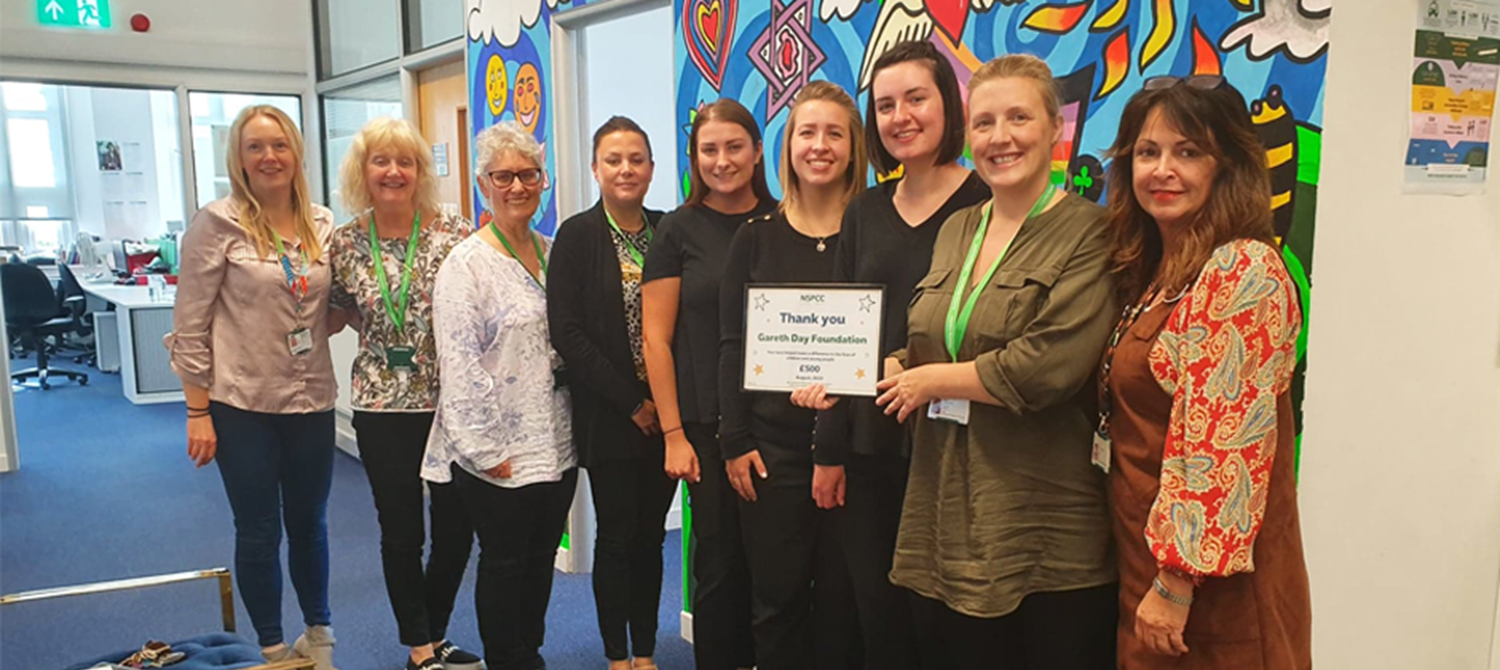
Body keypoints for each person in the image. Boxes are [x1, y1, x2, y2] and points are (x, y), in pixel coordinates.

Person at [873, 54, 1118, 668]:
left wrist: (929, 381)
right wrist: (898, 366)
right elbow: (935, 337)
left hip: (1042, 525)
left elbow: (1047, 367)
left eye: (1018, 118)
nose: (999, 137)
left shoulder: (1092, 232)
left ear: (1054, 128)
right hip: (948, 513)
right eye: (984, 123)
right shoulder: (958, 228)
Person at [787, 41, 988, 670]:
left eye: (916, 98)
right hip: (870, 447)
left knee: (946, 624)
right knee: (880, 618)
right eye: (885, 105)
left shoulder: (987, 202)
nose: (900, 116)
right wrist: (828, 449)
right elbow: (844, 328)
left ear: (948, 106)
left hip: (958, 448)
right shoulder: (866, 211)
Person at [1099, 75, 1310, 669]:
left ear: (1228, 166)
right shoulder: (1154, 270)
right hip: (1147, 571)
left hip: (1212, 593)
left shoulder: (1243, 269)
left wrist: (1177, 580)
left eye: (1188, 151)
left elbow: (1227, 443)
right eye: (1148, 152)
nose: (1163, 169)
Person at [166, 105, 343, 668]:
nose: (269, 157)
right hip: (241, 403)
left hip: (312, 398)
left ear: (296, 153)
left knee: (310, 525)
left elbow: (330, 307)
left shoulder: (323, 222)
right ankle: (271, 647)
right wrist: (198, 412)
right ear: (238, 160)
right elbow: (190, 323)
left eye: (279, 145)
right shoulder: (218, 223)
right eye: (255, 147)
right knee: (260, 529)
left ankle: (319, 635)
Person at [719, 81, 868, 670]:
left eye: (834, 133)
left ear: (854, 146)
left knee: (843, 607)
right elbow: (732, 346)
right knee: (775, 606)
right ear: (788, 146)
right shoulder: (753, 238)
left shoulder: (874, 232)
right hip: (770, 454)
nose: (820, 145)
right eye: (807, 132)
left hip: (857, 455)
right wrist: (735, 442)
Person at [421, 121, 576, 670]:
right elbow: (459, 366)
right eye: (503, 176)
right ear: (484, 184)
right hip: (496, 449)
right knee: (506, 563)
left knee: (538, 561)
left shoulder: (554, 251)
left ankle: (527, 653)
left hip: (556, 441)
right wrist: (488, 452)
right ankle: (507, 660)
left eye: (528, 174)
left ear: (543, 180)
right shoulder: (466, 266)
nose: (518, 186)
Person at [327, 117, 480, 670]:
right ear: (362, 172)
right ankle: (419, 645)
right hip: (382, 407)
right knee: (401, 531)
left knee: (457, 530)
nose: (393, 172)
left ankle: (434, 633)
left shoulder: (456, 234)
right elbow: (337, 310)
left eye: (405, 162)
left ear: (420, 171)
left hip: (450, 404)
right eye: (381, 161)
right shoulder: (344, 242)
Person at [641, 98, 777, 670]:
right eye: (709, 150)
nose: (722, 161)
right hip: (704, 425)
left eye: (734, 146)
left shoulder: (784, 219)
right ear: (695, 158)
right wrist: (674, 432)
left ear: (758, 150)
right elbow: (656, 339)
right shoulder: (678, 230)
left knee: (776, 566)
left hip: (779, 424)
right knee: (719, 565)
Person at [547, 116, 674, 670]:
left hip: (670, 416)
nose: (626, 169)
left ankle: (645, 650)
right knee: (618, 538)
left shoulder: (670, 230)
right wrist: (632, 403)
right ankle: (616, 655)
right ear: (596, 168)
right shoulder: (576, 236)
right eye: (614, 160)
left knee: (652, 540)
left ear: (651, 167)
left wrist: (663, 408)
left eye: (637, 159)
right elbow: (567, 333)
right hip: (611, 417)